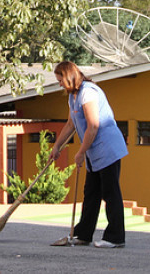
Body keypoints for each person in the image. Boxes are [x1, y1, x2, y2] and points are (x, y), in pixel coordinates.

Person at [50, 61, 128, 248]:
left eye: (60, 80)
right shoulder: (73, 96)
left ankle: (115, 237)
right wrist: (57, 146)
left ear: (68, 77)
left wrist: (80, 152)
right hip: (94, 150)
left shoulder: (88, 92)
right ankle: (83, 234)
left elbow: (93, 125)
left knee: (110, 193)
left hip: (107, 148)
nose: (59, 83)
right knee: (91, 193)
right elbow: (71, 124)